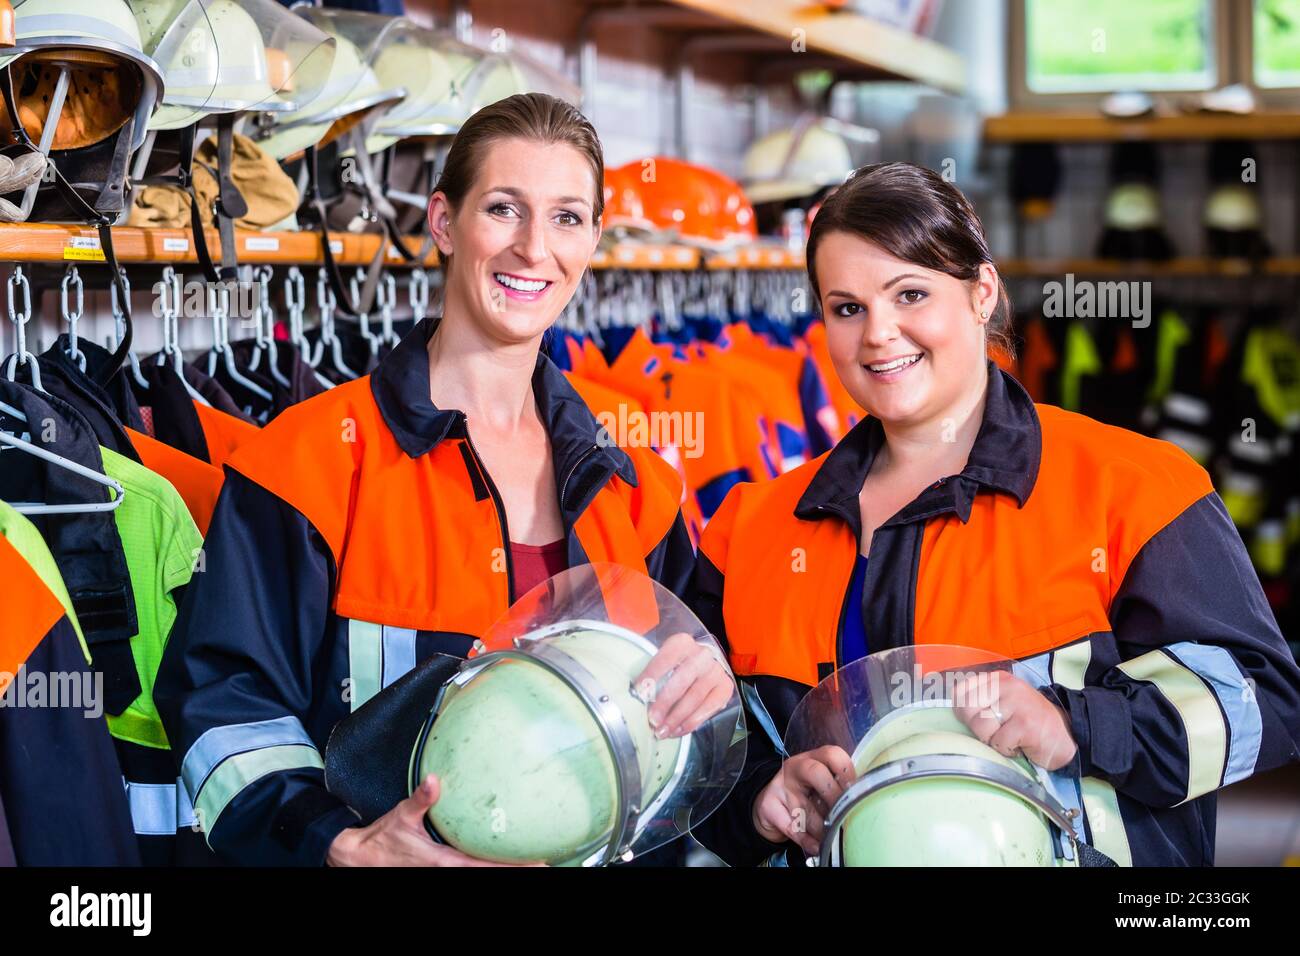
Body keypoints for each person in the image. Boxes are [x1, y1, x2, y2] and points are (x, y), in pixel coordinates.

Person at [155, 93, 731, 867]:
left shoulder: (636, 488)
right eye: (503, 209)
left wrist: (708, 677)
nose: (534, 249)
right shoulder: (311, 460)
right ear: (442, 222)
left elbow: (688, 725)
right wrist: (335, 844)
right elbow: (223, 706)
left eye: (566, 218)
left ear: (594, 239)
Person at [689, 162, 1300, 867]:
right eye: (846, 307)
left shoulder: (1133, 488)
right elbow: (703, 754)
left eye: (910, 294)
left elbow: (1265, 702)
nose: (879, 335)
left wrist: (1075, 727)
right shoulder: (753, 526)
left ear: (982, 293)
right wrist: (763, 795)